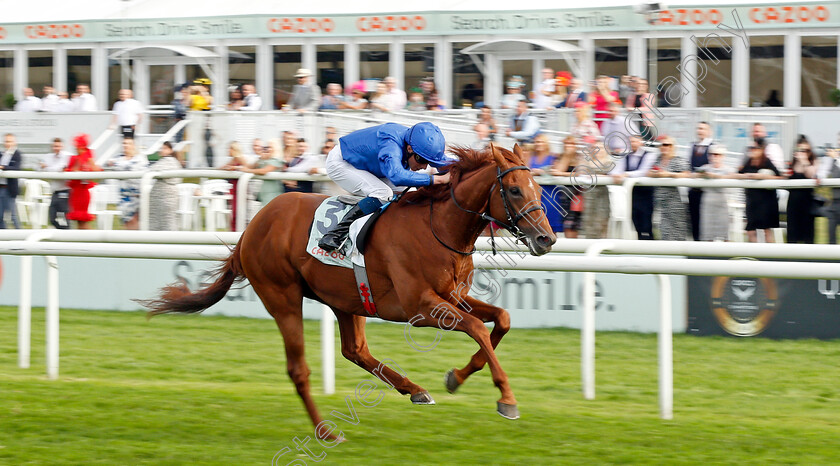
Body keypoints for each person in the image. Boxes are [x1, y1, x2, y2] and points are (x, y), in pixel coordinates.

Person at [318, 122, 451, 251]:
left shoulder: (416, 144)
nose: (424, 166)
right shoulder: (390, 143)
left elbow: (449, 163)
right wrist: (436, 179)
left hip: (370, 166)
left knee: (411, 190)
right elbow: (397, 176)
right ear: (409, 149)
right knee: (383, 193)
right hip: (342, 163)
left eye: (429, 162)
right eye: (421, 160)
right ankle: (335, 234)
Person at [613, 134, 657, 240]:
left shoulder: (649, 155)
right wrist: (615, 175)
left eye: (635, 141)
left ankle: (649, 246)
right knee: (635, 223)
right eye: (631, 142)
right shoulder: (626, 156)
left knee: (646, 224)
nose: (633, 144)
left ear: (641, 142)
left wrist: (625, 174)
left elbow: (643, 171)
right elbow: (618, 170)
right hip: (632, 195)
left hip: (646, 195)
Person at [739, 140, 782, 243]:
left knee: (766, 230)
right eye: (750, 148)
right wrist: (747, 176)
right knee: (750, 231)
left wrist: (763, 177)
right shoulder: (748, 162)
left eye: (754, 148)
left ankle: (769, 256)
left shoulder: (767, 162)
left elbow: (779, 177)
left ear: (761, 150)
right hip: (752, 201)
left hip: (766, 202)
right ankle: (755, 254)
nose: (752, 151)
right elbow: (739, 174)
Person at [650, 136, 690, 241]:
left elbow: (686, 173)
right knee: (664, 228)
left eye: (667, 145)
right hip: (660, 202)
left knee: (677, 228)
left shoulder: (677, 159)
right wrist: (655, 174)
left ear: (673, 147)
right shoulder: (658, 159)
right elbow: (649, 171)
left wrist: (668, 174)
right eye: (662, 144)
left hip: (674, 201)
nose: (665, 147)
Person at [106, 138, 148, 229]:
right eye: (124, 143)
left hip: (139, 196)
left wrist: (120, 166)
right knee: (128, 222)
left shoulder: (140, 158)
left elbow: (130, 168)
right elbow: (109, 165)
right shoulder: (118, 157)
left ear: (133, 146)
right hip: (124, 197)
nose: (125, 145)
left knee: (137, 222)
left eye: (128, 143)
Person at [698, 145, 735, 241]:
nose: (715, 157)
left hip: (722, 201)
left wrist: (714, 176)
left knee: (724, 230)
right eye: (712, 154)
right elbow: (694, 175)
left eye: (718, 155)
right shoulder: (704, 168)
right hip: (707, 201)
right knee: (707, 230)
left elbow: (732, 177)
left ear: (723, 156)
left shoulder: (728, 169)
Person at [65, 134, 101, 229]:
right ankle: (82, 238)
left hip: (84, 191)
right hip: (76, 192)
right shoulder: (74, 158)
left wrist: (89, 161)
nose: (76, 148)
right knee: (79, 220)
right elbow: (71, 172)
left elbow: (96, 171)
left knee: (82, 219)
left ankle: (91, 238)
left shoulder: (89, 157)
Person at [528, 134, 562, 234]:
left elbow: (556, 171)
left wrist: (541, 172)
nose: (538, 144)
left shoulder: (553, 157)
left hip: (549, 193)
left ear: (546, 144)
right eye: (536, 142)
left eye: (541, 142)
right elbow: (526, 171)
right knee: (535, 223)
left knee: (551, 224)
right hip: (534, 194)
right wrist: (535, 172)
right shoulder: (531, 157)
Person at [550, 136, 583, 238]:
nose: (569, 146)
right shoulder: (559, 157)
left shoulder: (579, 158)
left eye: (571, 144)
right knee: (557, 226)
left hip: (575, 196)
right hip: (560, 196)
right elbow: (556, 171)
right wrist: (567, 157)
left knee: (571, 227)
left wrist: (562, 174)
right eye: (566, 144)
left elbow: (580, 174)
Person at [786, 140, 817, 244]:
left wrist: (804, 162)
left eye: (806, 150)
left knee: (808, 235)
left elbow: (811, 175)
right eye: (800, 150)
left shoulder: (813, 161)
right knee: (792, 234)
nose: (802, 153)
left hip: (807, 204)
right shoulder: (792, 164)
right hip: (793, 204)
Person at [687, 121, 714, 241]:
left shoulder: (713, 146)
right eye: (699, 128)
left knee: (707, 220)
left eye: (703, 129)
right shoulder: (692, 146)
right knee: (694, 219)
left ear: (709, 131)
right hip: (693, 189)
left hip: (707, 190)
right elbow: (689, 165)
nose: (700, 131)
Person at [148, 142, 181, 231]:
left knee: (167, 221)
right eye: (162, 148)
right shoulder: (166, 161)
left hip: (166, 198)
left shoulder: (170, 161)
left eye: (165, 148)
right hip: (160, 199)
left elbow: (153, 169)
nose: (162, 150)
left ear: (170, 150)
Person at [40, 138, 71, 229]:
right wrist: (45, 167)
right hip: (54, 191)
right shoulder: (48, 156)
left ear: (62, 146)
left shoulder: (67, 156)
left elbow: (60, 169)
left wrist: (47, 167)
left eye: (58, 146)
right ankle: (64, 233)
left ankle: (68, 235)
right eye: (54, 146)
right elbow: (38, 168)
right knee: (52, 217)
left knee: (65, 216)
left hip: (65, 190)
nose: (56, 148)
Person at [0, 133, 22, 229]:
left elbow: (16, 168)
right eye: (6, 141)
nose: (8, 143)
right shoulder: (2, 154)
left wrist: (3, 167)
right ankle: (4, 238)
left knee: (13, 216)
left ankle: (21, 237)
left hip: (10, 189)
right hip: (1, 187)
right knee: (0, 216)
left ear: (14, 142)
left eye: (10, 141)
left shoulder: (17, 154)